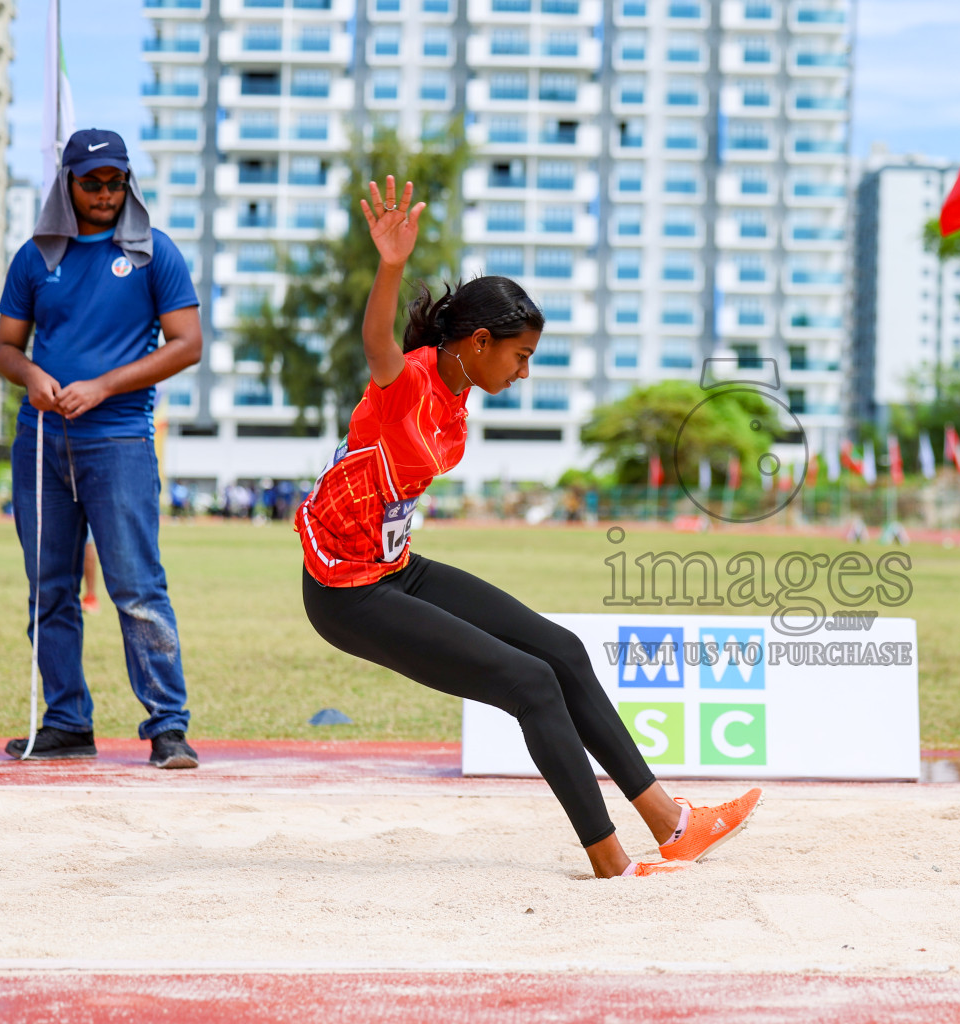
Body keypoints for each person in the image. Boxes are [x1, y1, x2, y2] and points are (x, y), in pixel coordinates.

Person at [297, 178, 761, 878]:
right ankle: (611, 860)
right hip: (345, 592)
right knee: (530, 682)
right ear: (479, 342)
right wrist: (390, 266)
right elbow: (377, 346)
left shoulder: (457, 393)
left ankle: (675, 823)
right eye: (519, 356)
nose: (522, 372)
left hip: (394, 569)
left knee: (563, 651)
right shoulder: (413, 383)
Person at [0, 129, 202, 768]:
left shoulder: (152, 254)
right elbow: (4, 348)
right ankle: (66, 722)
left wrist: (104, 385)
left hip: (119, 443)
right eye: (93, 182)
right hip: (42, 445)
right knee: (48, 588)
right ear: (68, 185)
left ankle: (168, 727)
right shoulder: (34, 257)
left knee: (137, 586)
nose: (106, 194)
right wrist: (32, 377)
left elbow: (187, 343)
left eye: (117, 182)